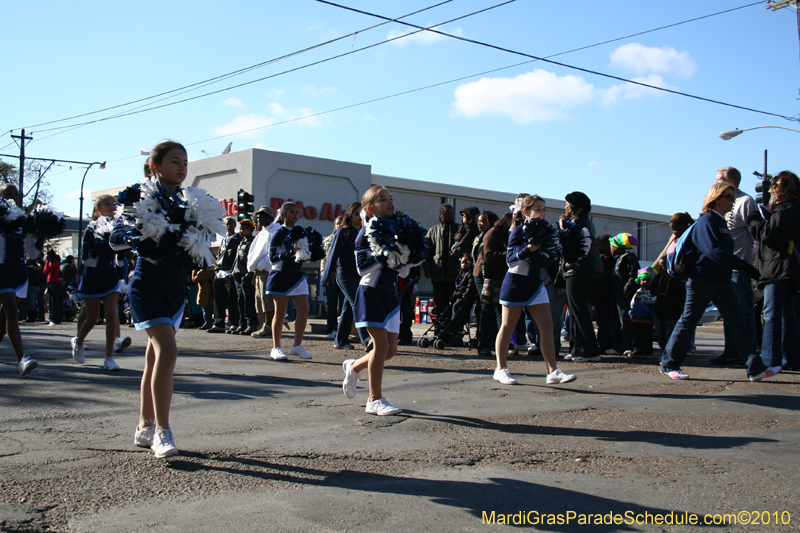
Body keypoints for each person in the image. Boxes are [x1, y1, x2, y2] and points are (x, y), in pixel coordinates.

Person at [110, 140, 220, 458]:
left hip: (175, 288)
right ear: (156, 166)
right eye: (175, 161)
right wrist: (142, 227)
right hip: (148, 284)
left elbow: (205, 242)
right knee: (168, 353)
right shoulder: (140, 197)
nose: (182, 167)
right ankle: (162, 431)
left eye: (185, 162)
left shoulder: (191, 201)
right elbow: (116, 239)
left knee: (154, 358)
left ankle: (143, 425)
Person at [659, 182, 768, 381]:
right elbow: (714, 251)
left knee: (738, 322)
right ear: (715, 198)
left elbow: (720, 253)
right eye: (728, 197)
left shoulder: (720, 223)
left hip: (721, 279)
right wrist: (744, 266)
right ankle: (669, 364)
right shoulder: (707, 221)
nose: (732, 201)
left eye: (733, 197)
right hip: (702, 279)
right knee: (688, 321)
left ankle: (754, 367)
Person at [342, 186, 421, 415]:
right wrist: (386, 252)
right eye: (382, 199)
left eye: (391, 198)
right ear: (370, 208)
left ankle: (353, 366)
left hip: (391, 295)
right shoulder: (365, 232)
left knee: (391, 350)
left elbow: (403, 273)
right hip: (371, 293)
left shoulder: (396, 230)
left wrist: (409, 255)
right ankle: (374, 399)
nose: (390, 202)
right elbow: (362, 268)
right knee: (381, 345)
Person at [493, 195, 576, 386]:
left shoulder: (547, 231)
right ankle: (500, 368)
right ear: (526, 212)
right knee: (507, 328)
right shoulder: (518, 231)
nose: (543, 212)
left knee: (547, 327)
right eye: (538, 209)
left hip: (536, 284)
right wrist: (530, 248)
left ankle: (553, 371)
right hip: (515, 283)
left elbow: (551, 256)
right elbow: (511, 260)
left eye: (544, 208)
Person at [747, 170, 800, 375]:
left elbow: (769, 233)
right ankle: (790, 357)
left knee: (771, 314)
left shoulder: (786, 208)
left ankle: (770, 358)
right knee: (786, 314)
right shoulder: (791, 208)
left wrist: (753, 219)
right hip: (784, 268)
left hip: (778, 269)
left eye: (774, 187)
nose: (771, 191)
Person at [70, 194, 128, 370]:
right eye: (106, 204)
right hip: (93, 276)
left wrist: (122, 251)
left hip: (110, 275)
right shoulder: (91, 228)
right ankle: (78, 342)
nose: (112, 206)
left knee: (112, 314)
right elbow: (86, 259)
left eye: (113, 204)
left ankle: (109, 357)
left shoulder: (119, 226)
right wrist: (102, 246)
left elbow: (119, 257)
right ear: (98, 209)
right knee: (92, 318)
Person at [714, 166, 758, 365]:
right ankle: (730, 351)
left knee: (742, 311)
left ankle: (747, 353)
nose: (716, 182)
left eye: (721, 179)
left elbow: (756, 233)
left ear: (733, 182)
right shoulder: (717, 204)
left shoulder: (746, 202)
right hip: (721, 267)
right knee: (726, 311)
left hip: (739, 267)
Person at [0, 183, 41, 376]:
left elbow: (32, 253)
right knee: (11, 310)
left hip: (19, 272)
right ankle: (21, 359)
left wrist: (42, 233)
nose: (12, 198)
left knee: (4, 316)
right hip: (1, 270)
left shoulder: (24, 221)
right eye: (7, 194)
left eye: (15, 195)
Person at [558, 192, 603, 362]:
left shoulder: (577, 222)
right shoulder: (587, 221)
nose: (565, 207)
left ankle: (589, 351)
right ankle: (577, 348)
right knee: (577, 310)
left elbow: (567, 246)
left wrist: (562, 229)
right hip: (585, 269)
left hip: (579, 270)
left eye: (567, 204)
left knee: (579, 311)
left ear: (572, 206)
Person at [265, 202, 312, 360]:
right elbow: (272, 258)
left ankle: (297, 346)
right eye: (291, 212)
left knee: (304, 308)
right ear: (283, 215)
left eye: (297, 212)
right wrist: (290, 252)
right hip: (281, 275)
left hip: (297, 275)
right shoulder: (278, 233)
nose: (295, 215)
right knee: (280, 312)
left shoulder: (301, 232)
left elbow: (304, 253)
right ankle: (276, 347)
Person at [321, 202, 370, 351]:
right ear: (349, 215)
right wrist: (325, 279)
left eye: (361, 214)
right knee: (358, 303)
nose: (359, 217)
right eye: (356, 214)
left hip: (359, 275)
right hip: (344, 275)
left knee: (348, 308)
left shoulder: (364, 231)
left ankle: (340, 340)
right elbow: (332, 256)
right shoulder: (343, 232)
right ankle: (366, 339)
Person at [476, 212, 513, 356]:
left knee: (499, 310)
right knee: (488, 309)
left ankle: (502, 343)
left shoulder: (505, 235)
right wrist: (508, 254)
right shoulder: (493, 233)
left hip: (499, 276)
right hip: (486, 276)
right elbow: (489, 255)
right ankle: (483, 345)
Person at [423, 204, 459, 326]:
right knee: (440, 304)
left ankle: (453, 330)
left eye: (451, 214)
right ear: (440, 215)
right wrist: (427, 269)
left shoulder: (458, 229)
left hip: (454, 275)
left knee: (455, 305)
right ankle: (440, 330)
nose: (450, 216)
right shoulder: (433, 231)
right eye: (447, 214)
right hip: (438, 276)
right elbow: (427, 252)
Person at [247, 205, 278, 338]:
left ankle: (269, 326)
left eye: (261, 216)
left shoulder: (275, 230)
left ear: (269, 217)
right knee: (259, 300)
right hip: (259, 271)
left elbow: (273, 254)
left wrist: (260, 265)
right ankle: (263, 325)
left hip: (268, 271)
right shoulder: (262, 233)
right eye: (257, 217)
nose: (258, 219)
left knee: (268, 300)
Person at [608, 232, 640, 356]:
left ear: (616, 247)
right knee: (614, 321)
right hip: (614, 294)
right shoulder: (617, 259)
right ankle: (617, 345)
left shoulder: (629, 258)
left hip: (622, 295)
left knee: (625, 321)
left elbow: (633, 276)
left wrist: (626, 291)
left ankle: (627, 345)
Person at [472, 211, 499, 355]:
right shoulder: (481, 237)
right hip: (481, 275)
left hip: (490, 275)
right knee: (486, 307)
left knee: (492, 309)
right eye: (478, 221)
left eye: (482, 221)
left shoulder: (493, 234)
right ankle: (483, 344)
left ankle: (492, 341)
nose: (479, 223)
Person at [208, 217, 241, 333]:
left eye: (231, 224)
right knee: (218, 300)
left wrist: (233, 271)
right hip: (220, 272)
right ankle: (219, 323)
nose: (228, 226)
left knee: (232, 300)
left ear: (234, 225)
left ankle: (234, 322)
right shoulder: (223, 239)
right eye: (227, 224)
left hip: (229, 272)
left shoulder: (238, 239)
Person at [231, 219, 257, 335]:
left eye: (242, 228)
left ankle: (251, 324)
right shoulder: (242, 242)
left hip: (246, 275)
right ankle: (242, 324)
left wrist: (249, 273)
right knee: (240, 301)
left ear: (249, 229)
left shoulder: (252, 242)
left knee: (248, 301)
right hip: (237, 274)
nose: (240, 231)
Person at [321, 216, 346, 340]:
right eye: (337, 223)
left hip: (343, 275)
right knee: (331, 304)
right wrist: (322, 272)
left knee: (343, 304)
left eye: (341, 223)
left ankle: (341, 329)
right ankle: (330, 329)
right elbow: (325, 258)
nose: (339, 226)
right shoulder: (329, 240)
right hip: (331, 276)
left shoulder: (347, 237)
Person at [629, 266, 656, 356]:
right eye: (643, 280)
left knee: (647, 336)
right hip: (637, 317)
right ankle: (638, 349)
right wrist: (631, 312)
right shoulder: (638, 292)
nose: (645, 282)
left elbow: (654, 303)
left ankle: (648, 350)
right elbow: (633, 302)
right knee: (637, 335)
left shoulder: (653, 293)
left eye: (648, 280)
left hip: (647, 317)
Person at [43, 250, 63, 325]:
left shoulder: (55, 263)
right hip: (51, 282)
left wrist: (47, 262)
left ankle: (55, 318)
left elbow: (47, 270)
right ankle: (52, 317)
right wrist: (47, 262)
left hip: (54, 283)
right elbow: (44, 271)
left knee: (54, 301)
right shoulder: (51, 262)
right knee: (51, 301)